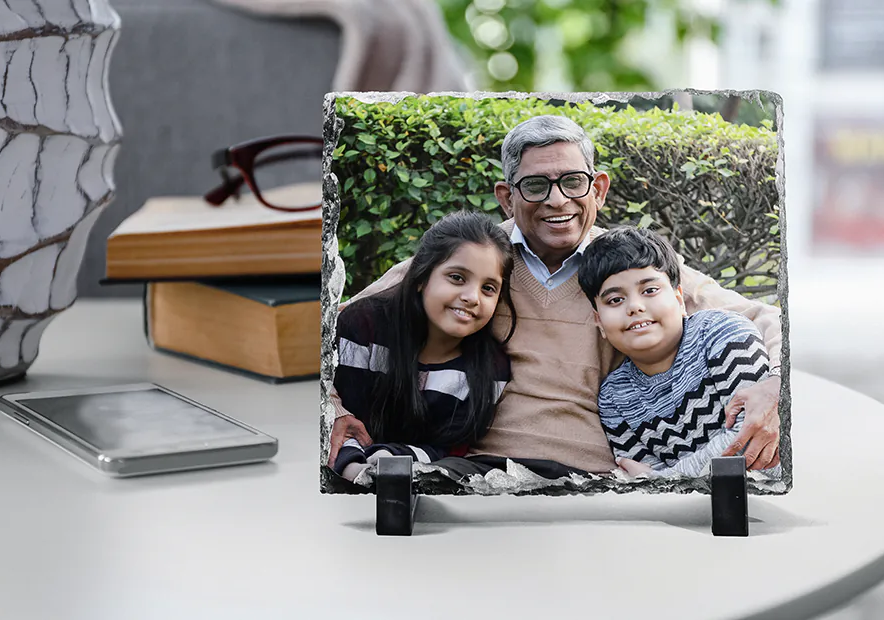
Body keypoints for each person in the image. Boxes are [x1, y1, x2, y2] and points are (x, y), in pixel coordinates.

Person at [329, 114, 783, 480]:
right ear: (507, 198)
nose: (557, 200)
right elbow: (336, 326)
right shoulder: (474, 261)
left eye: (572, 181)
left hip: (591, 474)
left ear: (598, 189)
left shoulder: (627, 268)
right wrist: (330, 411)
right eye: (535, 186)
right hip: (472, 470)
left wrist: (774, 388)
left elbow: (762, 317)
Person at [577, 226, 782, 478]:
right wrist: (662, 480)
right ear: (599, 322)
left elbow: (753, 439)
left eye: (649, 290)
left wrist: (668, 478)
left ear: (679, 299)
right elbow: (642, 479)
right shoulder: (614, 398)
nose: (635, 307)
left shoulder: (721, 334)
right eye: (615, 300)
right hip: (685, 515)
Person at [330, 210, 515, 482]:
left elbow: (448, 449)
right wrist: (354, 468)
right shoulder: (363, 328)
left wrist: (390, 460)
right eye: (457, 277)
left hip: (411, 481)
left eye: (488, 288)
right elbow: (340, 422)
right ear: (421, 278)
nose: (472, 297)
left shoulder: (490, 370)